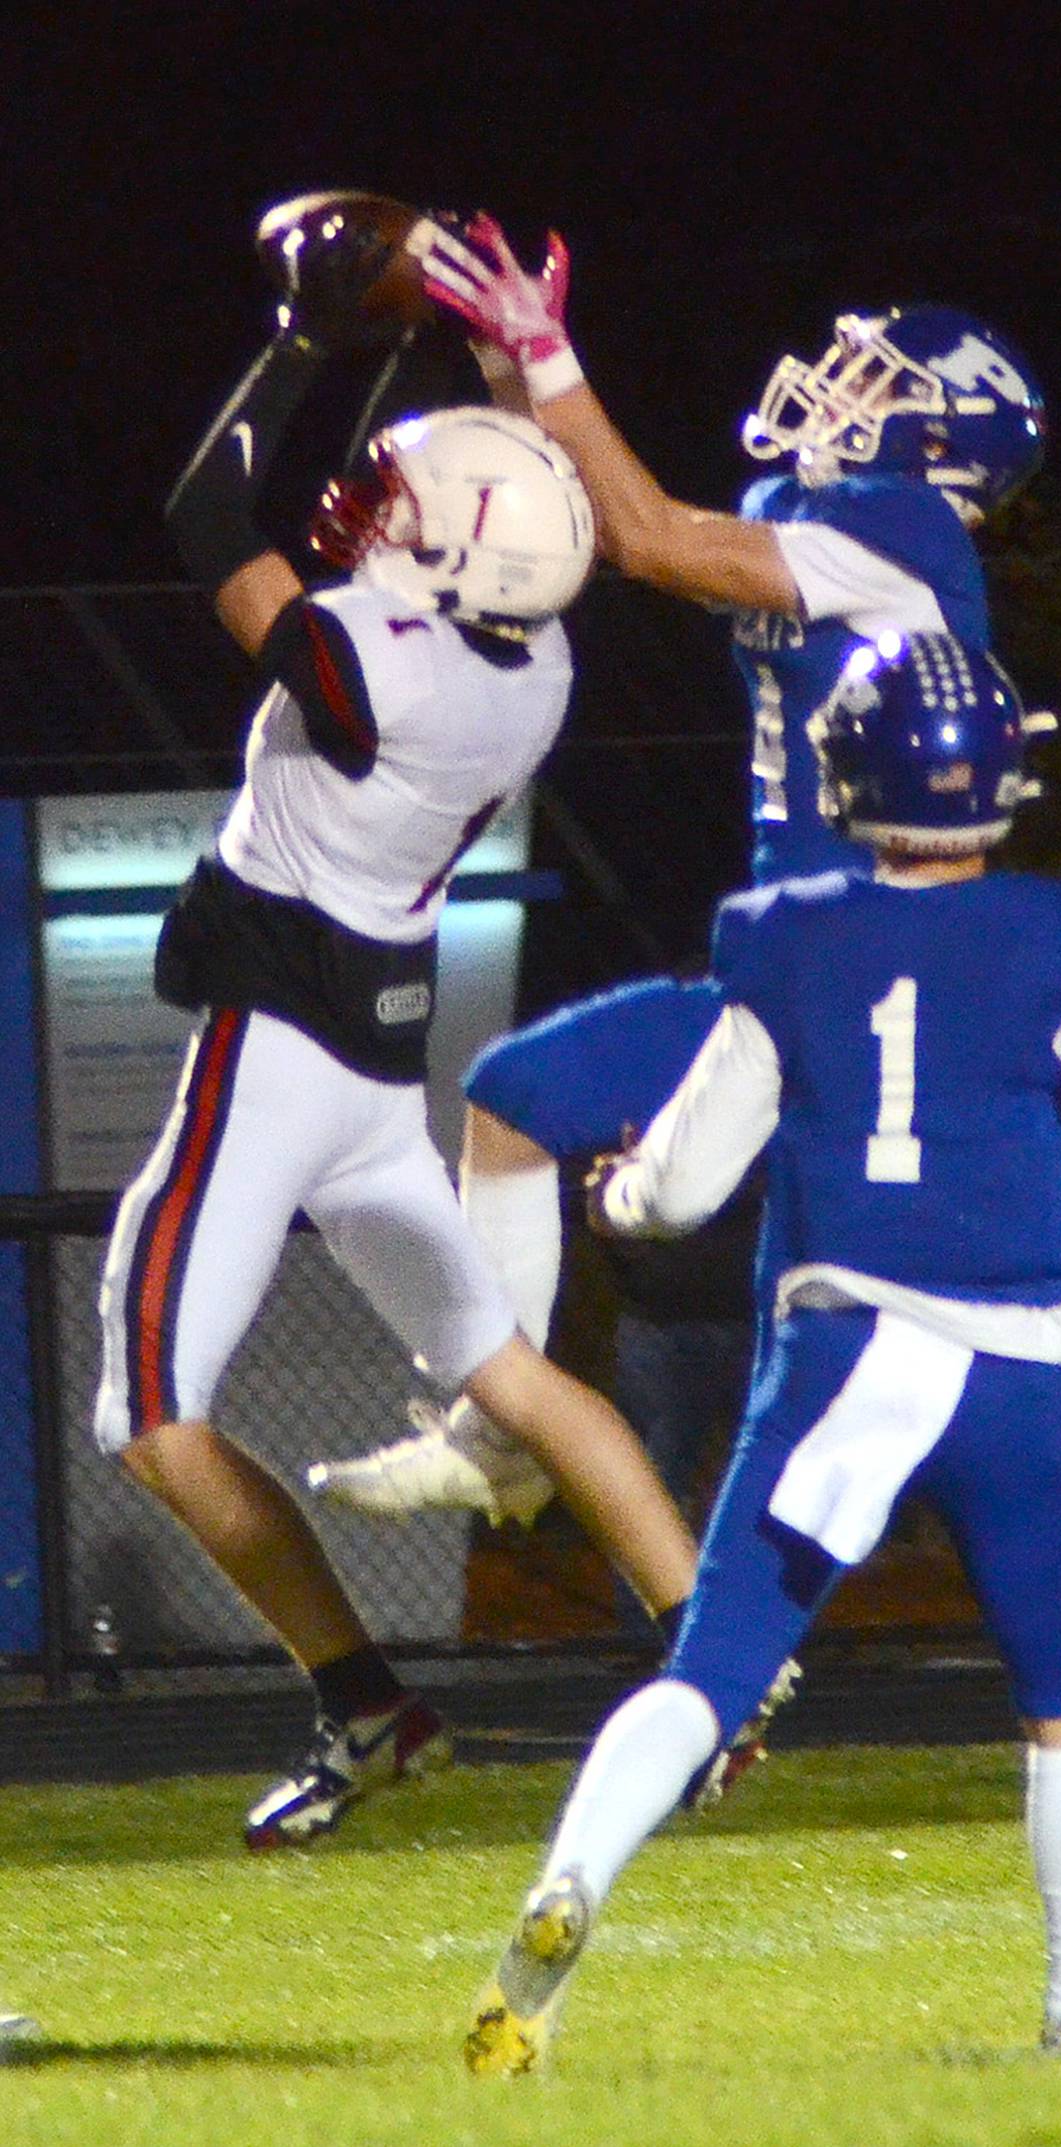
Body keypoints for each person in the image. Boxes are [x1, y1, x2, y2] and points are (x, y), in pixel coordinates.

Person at [457, 632, 1061, 2076]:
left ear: (845, 776)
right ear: (1007, 776)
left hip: (839, 1359)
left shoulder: (786, 934)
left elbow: (691, 1186)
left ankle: (566, 1888)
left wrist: (622, 1197)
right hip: (1012, 1372)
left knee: (709, 1676)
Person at [309, 213, 1061, 1596]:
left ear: (945, 443)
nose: (839, 392)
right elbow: (600, 518)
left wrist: (549, 356)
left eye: (880, 385)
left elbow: (640, 536)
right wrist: (518, 388)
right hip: (791, 968)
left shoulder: (905, 537)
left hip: (865, 985)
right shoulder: (810, 520)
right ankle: (501, 1432)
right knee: (530, 1111)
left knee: (858, 1383)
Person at [94, 217, 701, 1850]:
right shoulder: (540, 666)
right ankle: (719, 1677)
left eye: (405, 506)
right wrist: (505, 361)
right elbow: (511, 515)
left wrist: (306, 337)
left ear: (449, 562)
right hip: (379, 1067)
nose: (376, 500)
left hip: (281, 1054)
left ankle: (364, 1701)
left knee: (148, 1411)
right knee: (508, 1372)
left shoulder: (380, 662)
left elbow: (203, 513)